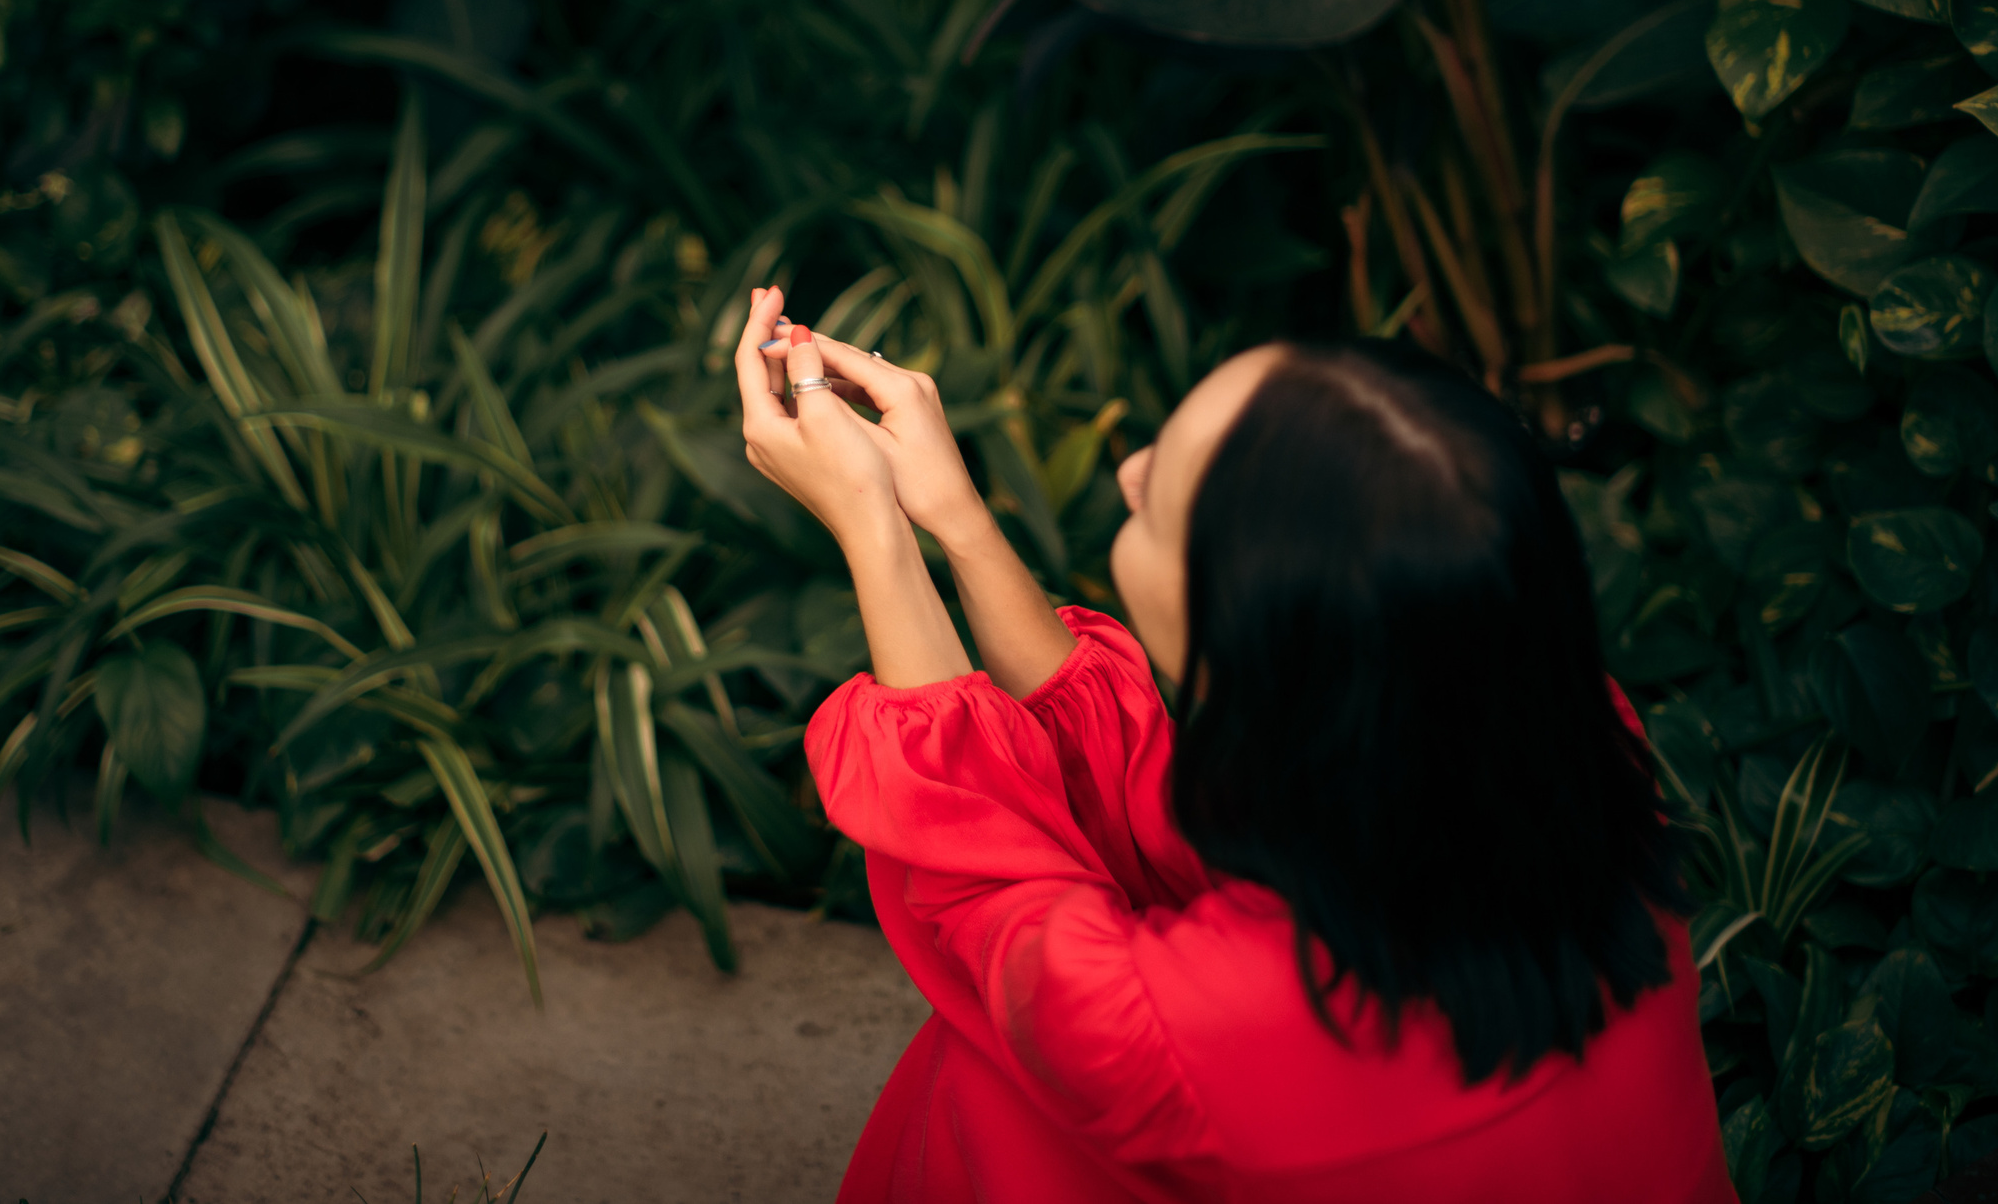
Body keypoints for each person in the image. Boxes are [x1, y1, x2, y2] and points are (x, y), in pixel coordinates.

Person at [734, 287, 1734, 1204]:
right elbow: (1133, 796)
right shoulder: (1557, 736)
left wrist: (871, 526)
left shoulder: (1185, 1037)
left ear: (1240, 652)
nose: (1130, 469)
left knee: (984, 1081)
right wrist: (954, 517)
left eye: (1161, 497)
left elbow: (987, 892)